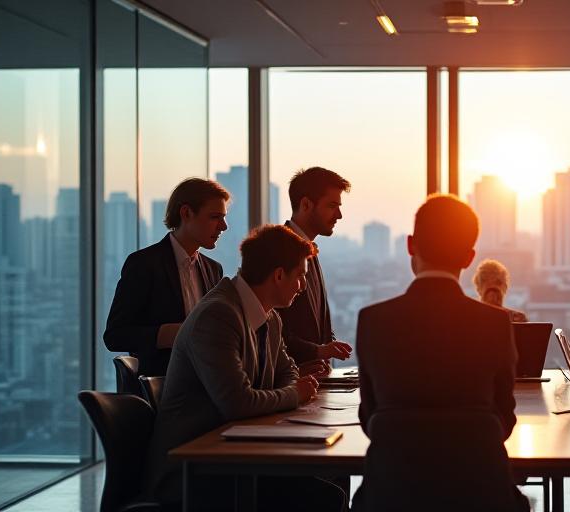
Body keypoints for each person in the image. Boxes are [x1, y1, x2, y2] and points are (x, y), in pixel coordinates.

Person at [143, 225, 345, 511]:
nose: (301, 287)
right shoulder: (218, 315)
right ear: (278, 275)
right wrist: (294, 394)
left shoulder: (269, 316)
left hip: (231, 454)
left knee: (326, 485)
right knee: (323, 497)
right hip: (193, 469)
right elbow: (237, 403)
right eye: (300, 277)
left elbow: (287, 371)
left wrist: (292, 388)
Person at [354, 194, 526, 510]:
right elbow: (505, 418)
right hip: (481, 496)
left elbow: (370, 417)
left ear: (410, 245)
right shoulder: (496, 323)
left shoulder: (373, 321)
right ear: (469, 257)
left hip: (391, 496)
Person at [103, 178, 229, 376]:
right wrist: (167, 334)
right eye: (215, 217)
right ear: (186, 213)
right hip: (163, 388)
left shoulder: (214, 270)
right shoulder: (143, 264)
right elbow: (115, 336)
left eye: (223, 217)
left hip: (207, 386)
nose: (224, 226)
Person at [278, 167, 354, 372]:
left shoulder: (309, 249)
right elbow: (273, 330)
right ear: (305, 204)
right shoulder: (278, 250)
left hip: (311, 381)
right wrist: (318, 351)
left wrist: (328, 348)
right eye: (332, 206)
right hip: (290, 382)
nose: (339, 215)